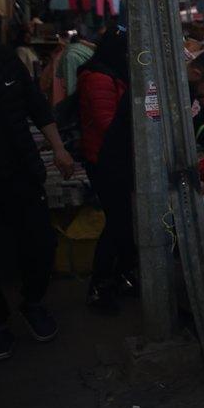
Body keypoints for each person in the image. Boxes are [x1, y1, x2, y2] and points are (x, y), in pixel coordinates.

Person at [0, 43, 71, 360]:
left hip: (22, 173)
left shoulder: (5, 60)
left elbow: (36, 106)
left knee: (41, 243)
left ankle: (33, 302)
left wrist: (59, 148)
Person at [76, 28, 135, 313]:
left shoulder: (111, 73)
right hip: (105, 160)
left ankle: (120, 277)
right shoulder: (99, 78)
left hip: (116, 158)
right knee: (117, 223)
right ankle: (100, 287)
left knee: (122, 222)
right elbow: (106, 123)